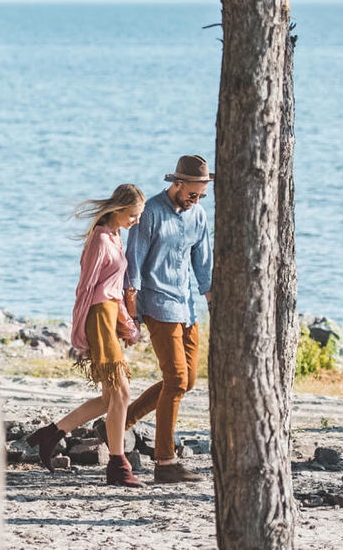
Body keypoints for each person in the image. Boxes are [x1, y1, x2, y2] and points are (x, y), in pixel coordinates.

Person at [27, 183, 145, 488]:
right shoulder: (99, 240)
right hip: (97, 319)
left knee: (111, 397)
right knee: (121, 394)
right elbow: (85, 290)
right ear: (118, 210)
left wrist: (128, 325)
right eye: (133, 215)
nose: (136, 221)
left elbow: (115, 291)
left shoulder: (116, 236)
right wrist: (78, 333)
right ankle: (118, 466)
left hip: (109, 317)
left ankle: (52, 434)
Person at [122, 154, 214, 484]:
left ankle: (120, 423)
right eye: (193, 193)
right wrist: (130, 310)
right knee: (175, 380)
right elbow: (133, 260)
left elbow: (202, 262)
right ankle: (165, 462)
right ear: (177, 184)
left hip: (186, 306)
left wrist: (209, 296)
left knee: (186, 381)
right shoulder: (151, 214)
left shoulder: (199, 216)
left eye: (202, 195)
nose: (196, 200)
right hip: (158, 305)